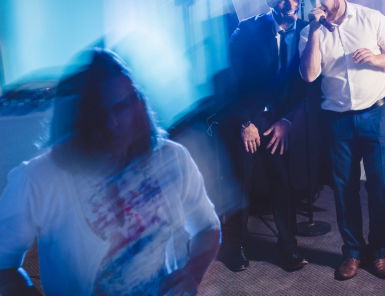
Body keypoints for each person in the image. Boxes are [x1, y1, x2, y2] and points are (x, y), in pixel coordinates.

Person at [0, 49, 220, 296]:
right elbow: (3, 266)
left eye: (122, 106)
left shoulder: (172, 157)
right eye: (98, 114)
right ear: (75, 117)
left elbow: (207, 227)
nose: (111, 123)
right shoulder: (38, 178)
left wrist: (193, 271)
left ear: (138, 103)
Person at [299, 0, 385, 280]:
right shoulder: (310, 32)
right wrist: (315, 31)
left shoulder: (370, 19)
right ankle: (352, 252)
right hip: (337, 121)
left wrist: (376, 59)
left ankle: (379, 252)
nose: (317, 3)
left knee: (380, 187)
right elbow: (309, 75)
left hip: (376, 117)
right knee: (344, 188)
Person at [223, 0, 308, 272]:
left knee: (282, 183)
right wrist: (245, 123)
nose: (290, 6)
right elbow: (230, 82)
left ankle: (288, 248)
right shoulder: (246, 31)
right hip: (247, 120)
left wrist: (286, 120)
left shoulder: (306, 32)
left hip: (278, 121)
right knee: (241, 185)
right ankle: (234, 247)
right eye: (282, 0)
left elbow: (304, 85)